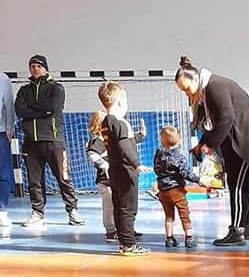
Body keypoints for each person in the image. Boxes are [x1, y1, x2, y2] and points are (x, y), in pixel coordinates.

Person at [174, 56, 249, 246]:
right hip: (242, 140)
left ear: (195, 79)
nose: (187, 94)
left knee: (237, 186)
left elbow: (226, 119)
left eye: (186, 89)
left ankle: (237, 231)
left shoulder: (214, 86)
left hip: (248, 140)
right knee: (241, 185)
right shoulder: (206, 91)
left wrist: (210, 145)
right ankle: (245, 227)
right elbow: (214, 123)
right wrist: (202, 143)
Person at [14, 54, 84, 229]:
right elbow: (20, 110)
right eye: (32, 66)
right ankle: (37, 213)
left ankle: (73, 211)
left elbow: (52, 108)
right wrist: (41, 111)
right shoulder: (24, 90)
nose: (35, 69)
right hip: (31, 142)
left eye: (38, 66)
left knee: (63, 177)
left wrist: (32, 108)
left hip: (54, 141)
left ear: (45, 68)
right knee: (34, 181)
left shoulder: (56, 88)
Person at [98, 81, 150, 256]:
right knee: (129, 209)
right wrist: (137, 163)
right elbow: (124, 147)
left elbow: (122, 143)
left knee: (119, 207)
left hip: (114, 171)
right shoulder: (121, 123)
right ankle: (129, 244)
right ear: (120, 101)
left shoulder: (106, 122)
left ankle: (123, 242)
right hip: (126, 171)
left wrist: (139, 137)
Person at [153, 125, 196, 249]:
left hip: (163, 190)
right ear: (179, 140)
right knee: (184, 213)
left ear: (162, 141)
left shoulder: (158, 154)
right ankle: (189, 238)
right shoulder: (179, 156)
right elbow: (185, 173)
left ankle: (169, 239)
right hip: (176, 190)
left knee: (169, 216)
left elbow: (156, 169)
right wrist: (199, 180)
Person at [85, 111, 117, 241]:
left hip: (113, 179)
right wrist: (104, 165)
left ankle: (122, 228)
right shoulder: (98, 140)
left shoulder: (107, 139)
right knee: (109, 207)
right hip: (105, 181)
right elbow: (92, 154)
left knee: (117, 205)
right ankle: (111, 231)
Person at [0, 70, 14, 232]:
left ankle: (2, 211)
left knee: (2, 173)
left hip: (1, 133)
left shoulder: (3, 79)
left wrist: (10, 128)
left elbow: (9, 104)